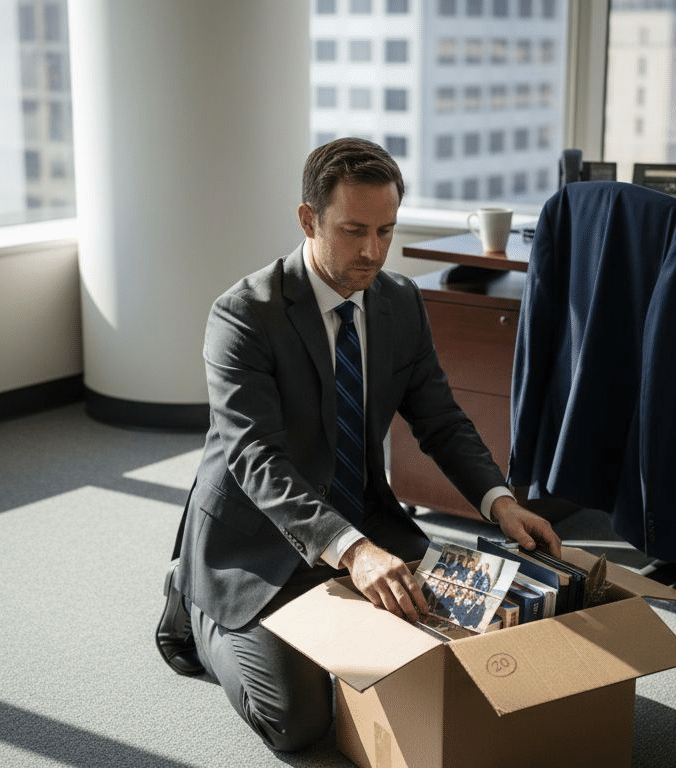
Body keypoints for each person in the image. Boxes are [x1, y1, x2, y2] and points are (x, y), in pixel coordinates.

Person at [155, 137, 561, 753]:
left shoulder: (399, 301)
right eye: (352, 231)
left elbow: (440, 420)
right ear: (307, 219)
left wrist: (499, 502)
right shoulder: (243, 315)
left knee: (451, 648)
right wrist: (352, 551)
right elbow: (256, 460)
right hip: (257, 538)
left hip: (361, 513)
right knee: (298, 722)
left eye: (386, 230)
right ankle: (196, 604)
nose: (372, 251)